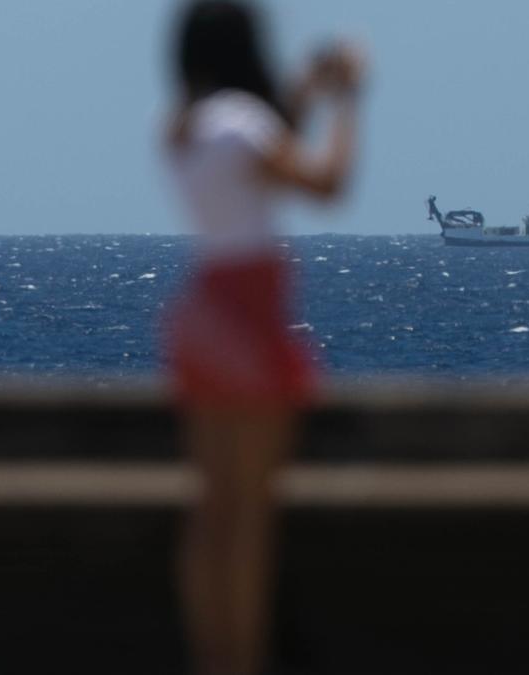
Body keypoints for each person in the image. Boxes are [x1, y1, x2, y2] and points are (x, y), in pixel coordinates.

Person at [163, 2, 363, 673]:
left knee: (211, 511)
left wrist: (304, 88)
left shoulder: (184, 130)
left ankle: (209, 655)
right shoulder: (241, 128)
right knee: (249, 520)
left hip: (201, 312)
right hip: (250, 315)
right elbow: (326, 184)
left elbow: (260, 140)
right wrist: (348, 105)